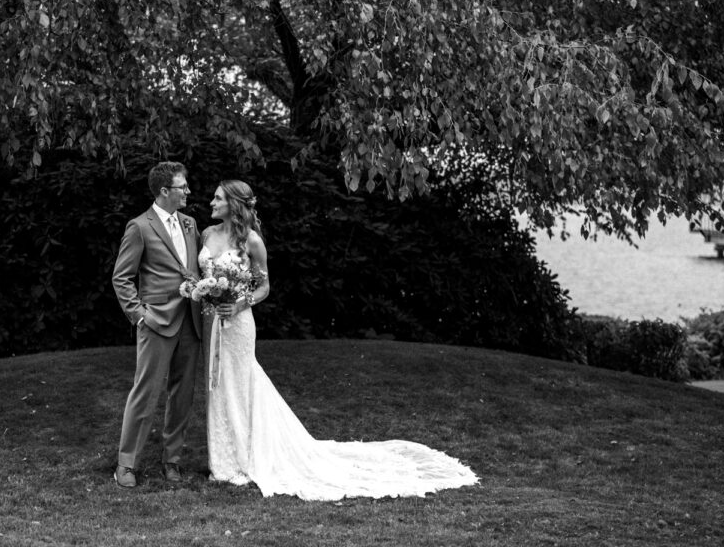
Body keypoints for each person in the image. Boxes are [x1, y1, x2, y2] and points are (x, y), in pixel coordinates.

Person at [198, 179, 479, 501]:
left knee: (241, 384)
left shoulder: (252, 241)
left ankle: (245, 459)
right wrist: (206, 294)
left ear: (233, 203)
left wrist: (239, 302)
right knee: (217, 385)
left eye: (217, 198)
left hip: (238, 323)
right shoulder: (207, 235)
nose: (211, 202)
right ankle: (222, 460)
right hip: (212, 323)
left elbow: (263, 287)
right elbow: (203, 277)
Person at [111, 161, 204, 488]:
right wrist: (139, 314)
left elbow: (191, 268)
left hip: (191, 321)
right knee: (146, 391)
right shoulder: (139, 226)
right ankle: (127, 464)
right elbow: (121, 278)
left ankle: (172, 461)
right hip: (156, 321)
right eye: (182, 187)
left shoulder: (191, 223)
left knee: (183, 394)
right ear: (165, 191)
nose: (188, 191)